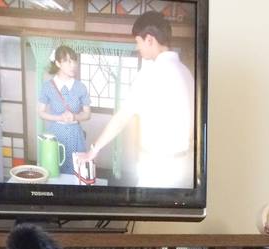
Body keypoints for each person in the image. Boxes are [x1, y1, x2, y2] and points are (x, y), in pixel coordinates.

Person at [76, 11, 194, 188]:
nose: (137, 48)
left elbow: (122, 118)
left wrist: (93, 150)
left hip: (158, 168)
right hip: (186, 166)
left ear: (149, 39)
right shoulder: (186, 73)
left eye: (138, 42)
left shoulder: (150, 74)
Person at [37, 45, 91, 175]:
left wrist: (75, 117)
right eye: (68, 61)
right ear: (58, 63)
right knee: (53, 172)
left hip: (75, 136)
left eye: (74, 61)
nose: (73, 65)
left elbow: (87, 114)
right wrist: (59, 118)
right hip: (55, 136)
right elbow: (40, 112)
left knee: (77, 173)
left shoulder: (81, 87)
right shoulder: (47, 86)